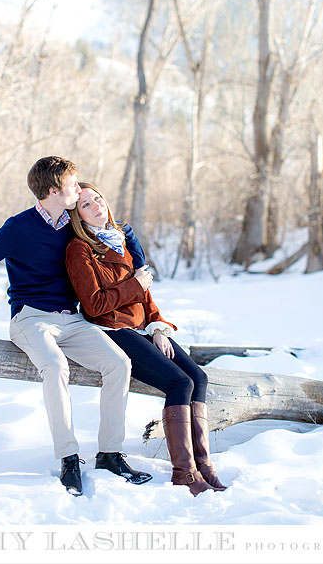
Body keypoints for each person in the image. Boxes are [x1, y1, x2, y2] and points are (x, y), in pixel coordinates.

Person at [0, 156, 152, 497]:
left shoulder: (73, 224)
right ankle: (68, 458)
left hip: (72, 320)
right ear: (52, 191)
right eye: (73, 185)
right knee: (55, 366)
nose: (79, 189)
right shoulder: (18, 228)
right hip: (30, 317)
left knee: (118, 363)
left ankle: (109, 453)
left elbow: (118, 232)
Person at [65, 182, 227, 495]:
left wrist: (158, 327)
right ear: (78, 216)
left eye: (98, 198)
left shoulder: (120, 239)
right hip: (113, 330)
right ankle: (185, 472)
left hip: (142, 327)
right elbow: (94, 304)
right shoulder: (79, 248)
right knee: (179, 383)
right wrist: (136, 286)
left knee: (198, 376)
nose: (97, 206)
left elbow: (145, 294)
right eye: (86, 205)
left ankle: (204, 464)